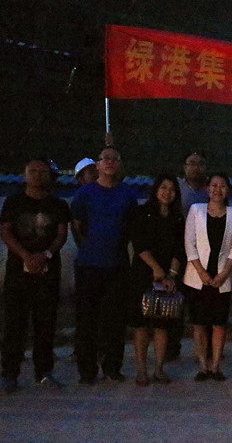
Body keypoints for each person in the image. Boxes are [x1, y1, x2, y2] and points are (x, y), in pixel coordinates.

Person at [0, 158, 71, 394]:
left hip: (48, 272)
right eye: (33, 171)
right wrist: (25, 256)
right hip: (17, 273)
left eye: (42, 171)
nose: (38, 175)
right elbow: (6, 232)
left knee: (46, 323)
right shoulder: (13, 202)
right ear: (24, 174)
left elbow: (61, 234)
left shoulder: (58, 204)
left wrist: (46, 255)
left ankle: (44, 372)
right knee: (14, 323)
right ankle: (10, 374)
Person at [70, 147, 138, 384]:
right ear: (97, 165)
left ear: (119, 164)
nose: (109, 162)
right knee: (87, 319)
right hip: (89, 265)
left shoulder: (127, 195)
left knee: (115, 319)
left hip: (117, 265)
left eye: (114, 159)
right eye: (104, 159)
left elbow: (131, 226)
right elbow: (76, 225)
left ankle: (112, 367)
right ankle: (87, 370)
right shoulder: (85, 193)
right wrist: (89, 247)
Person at [128, 174, 185, 387]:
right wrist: (156, 269)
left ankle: (159, 369)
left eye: (172, 189)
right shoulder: (142, 213)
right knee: (141, 325)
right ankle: (141, 370)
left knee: (162, 325)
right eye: (163, 187)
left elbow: (180, 249)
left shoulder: (177, 218)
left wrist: (171, 275)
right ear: (156, 189)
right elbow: (139, 244)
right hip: (143, 274)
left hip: (167, 278)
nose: (167, 192)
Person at [184, 173, 232, 381]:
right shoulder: (196, 210)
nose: (218, 189)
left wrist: (223, 274)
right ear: (207, 188)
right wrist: (201, 272)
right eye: (214, 185)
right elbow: (189, 243)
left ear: (228, 190)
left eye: (222, 186)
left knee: (219, 323)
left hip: (222, 278)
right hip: (197, 277)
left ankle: (216, 366)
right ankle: (202, 365)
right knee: (199, 323)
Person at [170, 151, 209, 360]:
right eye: (191, 163)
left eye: (200, 163)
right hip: (178, 252)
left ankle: (204, 350)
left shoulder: (211, 190)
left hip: (203, 254)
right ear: (184, 167)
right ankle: (171, 347)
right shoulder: (177, 188)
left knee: (201, 304)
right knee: (174, 301)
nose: (196, 167)